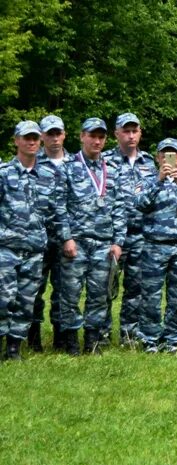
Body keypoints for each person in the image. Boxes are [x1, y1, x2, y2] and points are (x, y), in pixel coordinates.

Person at [56, 118, 126, 355]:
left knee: (99, 295)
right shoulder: (67, 166)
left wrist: (118, 242)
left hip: (103, 244)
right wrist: (66, 237)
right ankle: (71, 340)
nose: (97, 141)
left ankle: (93, 340)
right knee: (70, 294)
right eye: (92, 136)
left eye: (101, 137)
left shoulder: (112, 170)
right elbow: (59, 206)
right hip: (76, 242)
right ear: (81, 136)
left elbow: (120, 209)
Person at [135, 138, 177, 353]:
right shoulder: (147, 180)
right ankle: (150, 339)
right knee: (151, 296)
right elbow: (140, 205)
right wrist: (159, 181)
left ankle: (172, 340)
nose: (168, 158)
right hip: (154, 247)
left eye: (173, 154)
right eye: (164, 154)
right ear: (158, 157)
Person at [102, 113, 158, 346]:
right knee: (105, 286)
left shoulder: (148, 162)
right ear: (116, 134)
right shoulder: (104, 160)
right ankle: (101, 334)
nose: (131, 135)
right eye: (126, 131)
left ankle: (129, 334)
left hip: (140, 234)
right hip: (112, 234)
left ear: (140, 133)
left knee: (136, 287)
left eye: (135, 131)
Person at [0, 121, 51, 360]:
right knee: (3, 298)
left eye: (34, 138)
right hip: (6, 249)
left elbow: (56, 212)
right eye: (26, 138)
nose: (31, 142)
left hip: (34, 250)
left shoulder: (47, 176)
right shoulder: (3, 174)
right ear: (16, 140)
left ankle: (14, 348)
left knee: (25, 301)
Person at [30, 114, 71, 351]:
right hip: (38, 238)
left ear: (64, 134)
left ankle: (60, 337)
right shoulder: (32, 163)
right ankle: (33, 338)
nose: (55, 138)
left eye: (58, 133)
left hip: (65, 239)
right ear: (42, 136)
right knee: (34, 288)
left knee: (64, 290)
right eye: (49, 134)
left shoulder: (77, 163)